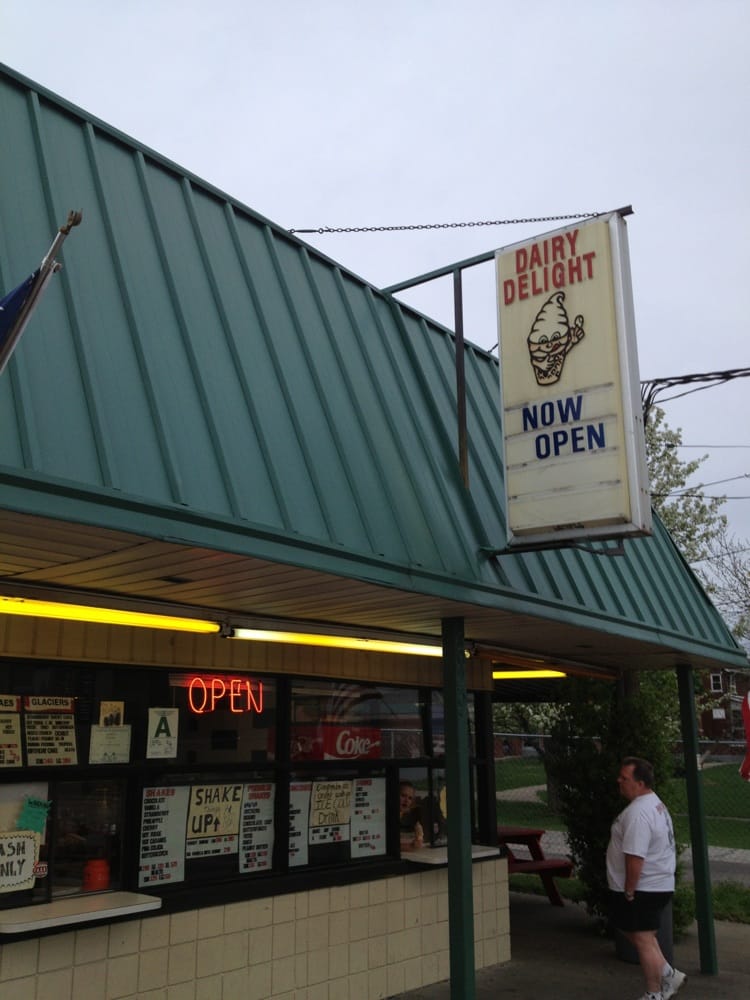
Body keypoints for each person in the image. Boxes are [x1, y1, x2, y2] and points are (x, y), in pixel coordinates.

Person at [606, 757, 686, 1000]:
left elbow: (635, 857)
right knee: (642, 937)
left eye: (625, 778)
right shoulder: (654, 804)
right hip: (657, 883)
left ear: (640, 783)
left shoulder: (639, 814)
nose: (619, 781)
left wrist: (630, 890)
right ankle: (667, 975)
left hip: (643, 887)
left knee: (642, 939)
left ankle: (655, 991)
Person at [399, 780, 423, 851]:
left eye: (410, 798)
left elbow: (420, 836)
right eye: (403, 795)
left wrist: (419, 840)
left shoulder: (411, 817)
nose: (406, 800)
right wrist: (407, 847)